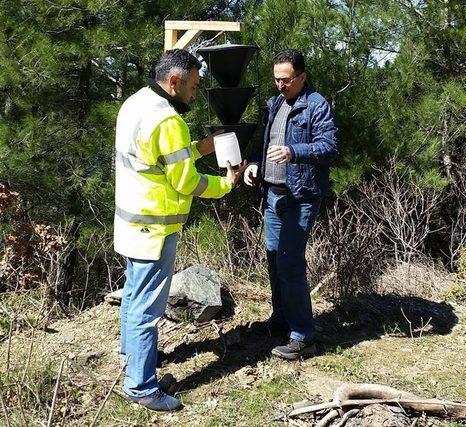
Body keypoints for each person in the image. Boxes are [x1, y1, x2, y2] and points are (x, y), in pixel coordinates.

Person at [114, 49, 246, 411]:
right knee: (146, 308)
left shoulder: (136, 103)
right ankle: (141, 387)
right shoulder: (169, 121)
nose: (195, 92)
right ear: (174, 81)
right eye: (193, 86)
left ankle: (131, 362)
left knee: (132, 295)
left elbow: (159, 156)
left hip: (131, 222)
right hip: (154, 228)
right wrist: (226, 185)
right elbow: (186, 182)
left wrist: (200, 148)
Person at [244, 49, 338, 360]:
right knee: (273, 259)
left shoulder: (316, 105)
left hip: (301, 196)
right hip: (273, 195)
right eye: (276, 80)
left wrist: (293, 152)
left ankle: (303, 337)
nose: (280, 85)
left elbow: (328, 146)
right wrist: (256, 165)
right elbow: (266, 144)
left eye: (286, 80)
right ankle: (281, 319)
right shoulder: (275, 104)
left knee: (290, 264)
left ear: (302, 77)